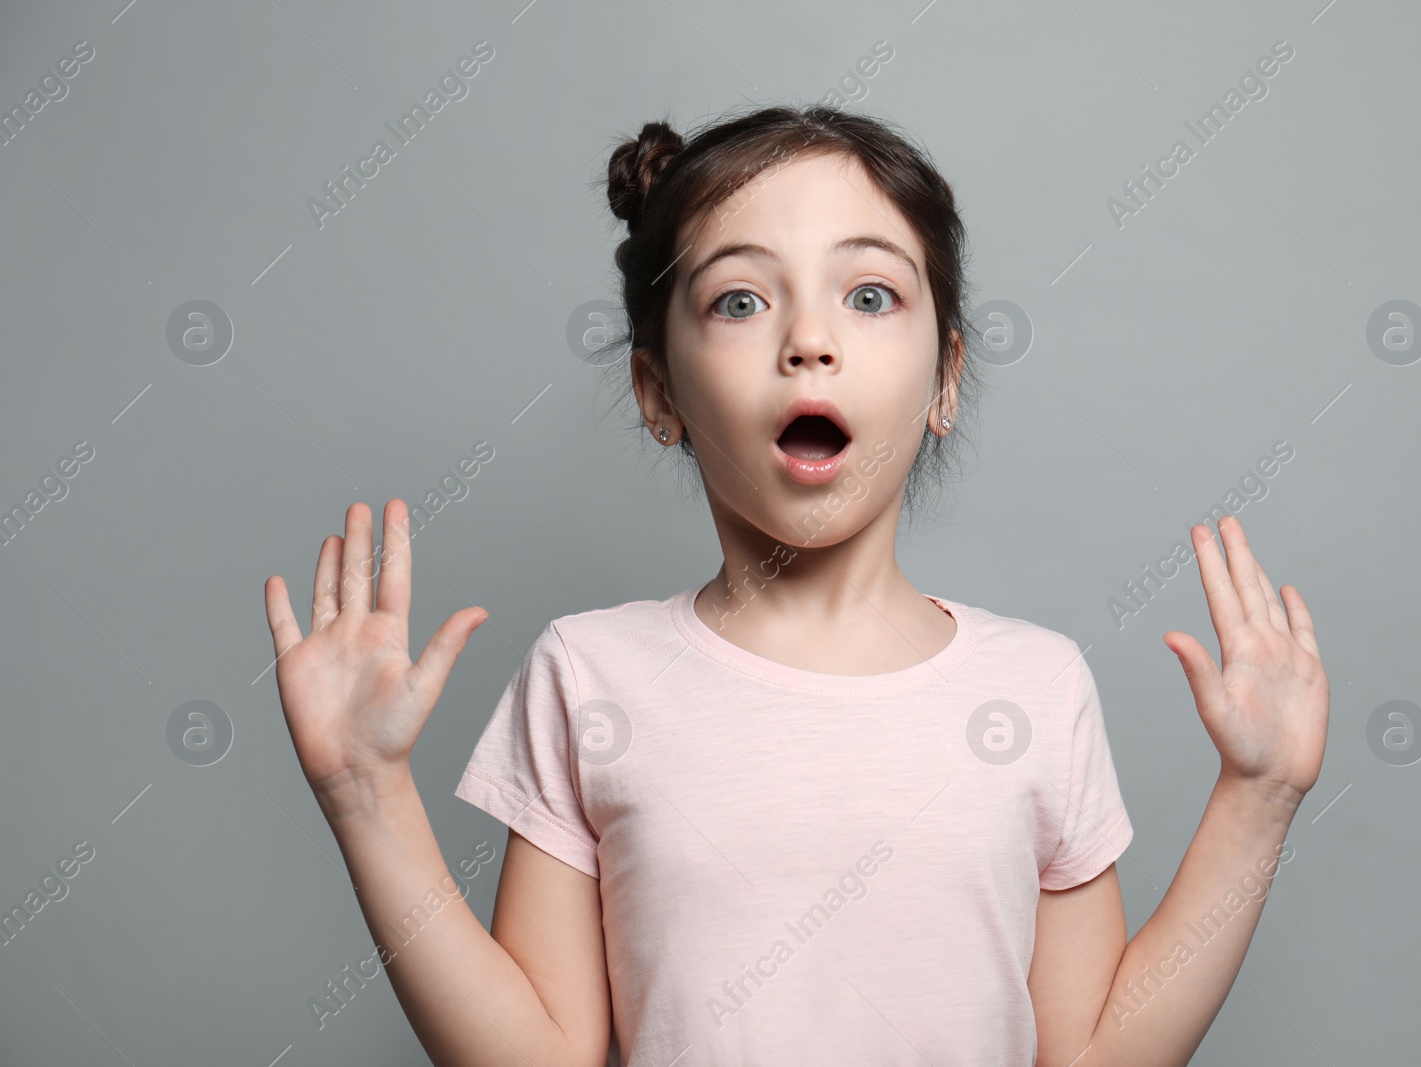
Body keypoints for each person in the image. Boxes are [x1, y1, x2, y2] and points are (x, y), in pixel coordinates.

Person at [262, 104, 1329, 1067]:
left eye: (869, 295)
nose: (808, 342)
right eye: (738, 300)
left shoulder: (1035, 687)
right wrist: (367, 793)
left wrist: (1259, 795)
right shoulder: (591, 675)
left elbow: (1091, 1054)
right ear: (657, 388)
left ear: (945, 378)